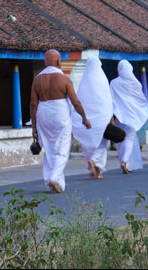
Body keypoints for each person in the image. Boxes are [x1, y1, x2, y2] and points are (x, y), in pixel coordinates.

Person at [30, 49, 90, 193]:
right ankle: (54, 177)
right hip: (60, 113)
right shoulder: (64, 79)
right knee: (62, 148)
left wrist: (33, 126)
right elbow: (76, 102)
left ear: (45, 62)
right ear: (58, 62)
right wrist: (84, 118)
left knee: (50, 149)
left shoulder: (37, 79)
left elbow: (33, 104)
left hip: (43, 114)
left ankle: (56, 183)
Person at [71, 56, 113, 180]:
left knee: (89, 143)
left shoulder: (84, 80)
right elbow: (107, 100)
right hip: (102, 117)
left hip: (87, 118)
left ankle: (91, 161)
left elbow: (80, 99)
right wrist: (110, 117)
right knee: (101, 143)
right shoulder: (102, 78)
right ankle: (95, 163)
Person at [109, 60, 148, 174]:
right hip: (133, 116)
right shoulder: (136, 83)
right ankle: (125, 161)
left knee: (120, 139)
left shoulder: (114, 83)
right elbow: (140, 99)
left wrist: (111, 115)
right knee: (129, 138)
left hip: (120, 116)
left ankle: (123, 160)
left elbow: (111, 100)